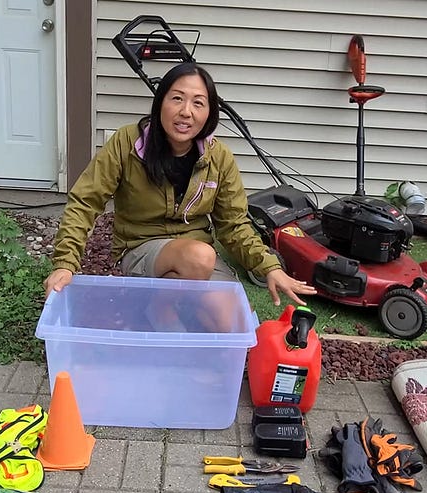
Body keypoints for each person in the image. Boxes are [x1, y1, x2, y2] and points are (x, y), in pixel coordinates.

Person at [43, 62, 316, 309]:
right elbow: (85, 201)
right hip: (140, 247)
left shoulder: (219, 157)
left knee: (230, 321)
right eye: (177, 99)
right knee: (199, 258)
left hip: (195, 255)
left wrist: (268, 266)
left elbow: (234, 224)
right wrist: (65, 264)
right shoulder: (127, 143)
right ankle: (158, 317)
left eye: (198, 103)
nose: (186, 112)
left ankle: (158, 315)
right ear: (160, 103)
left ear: (209, 113)